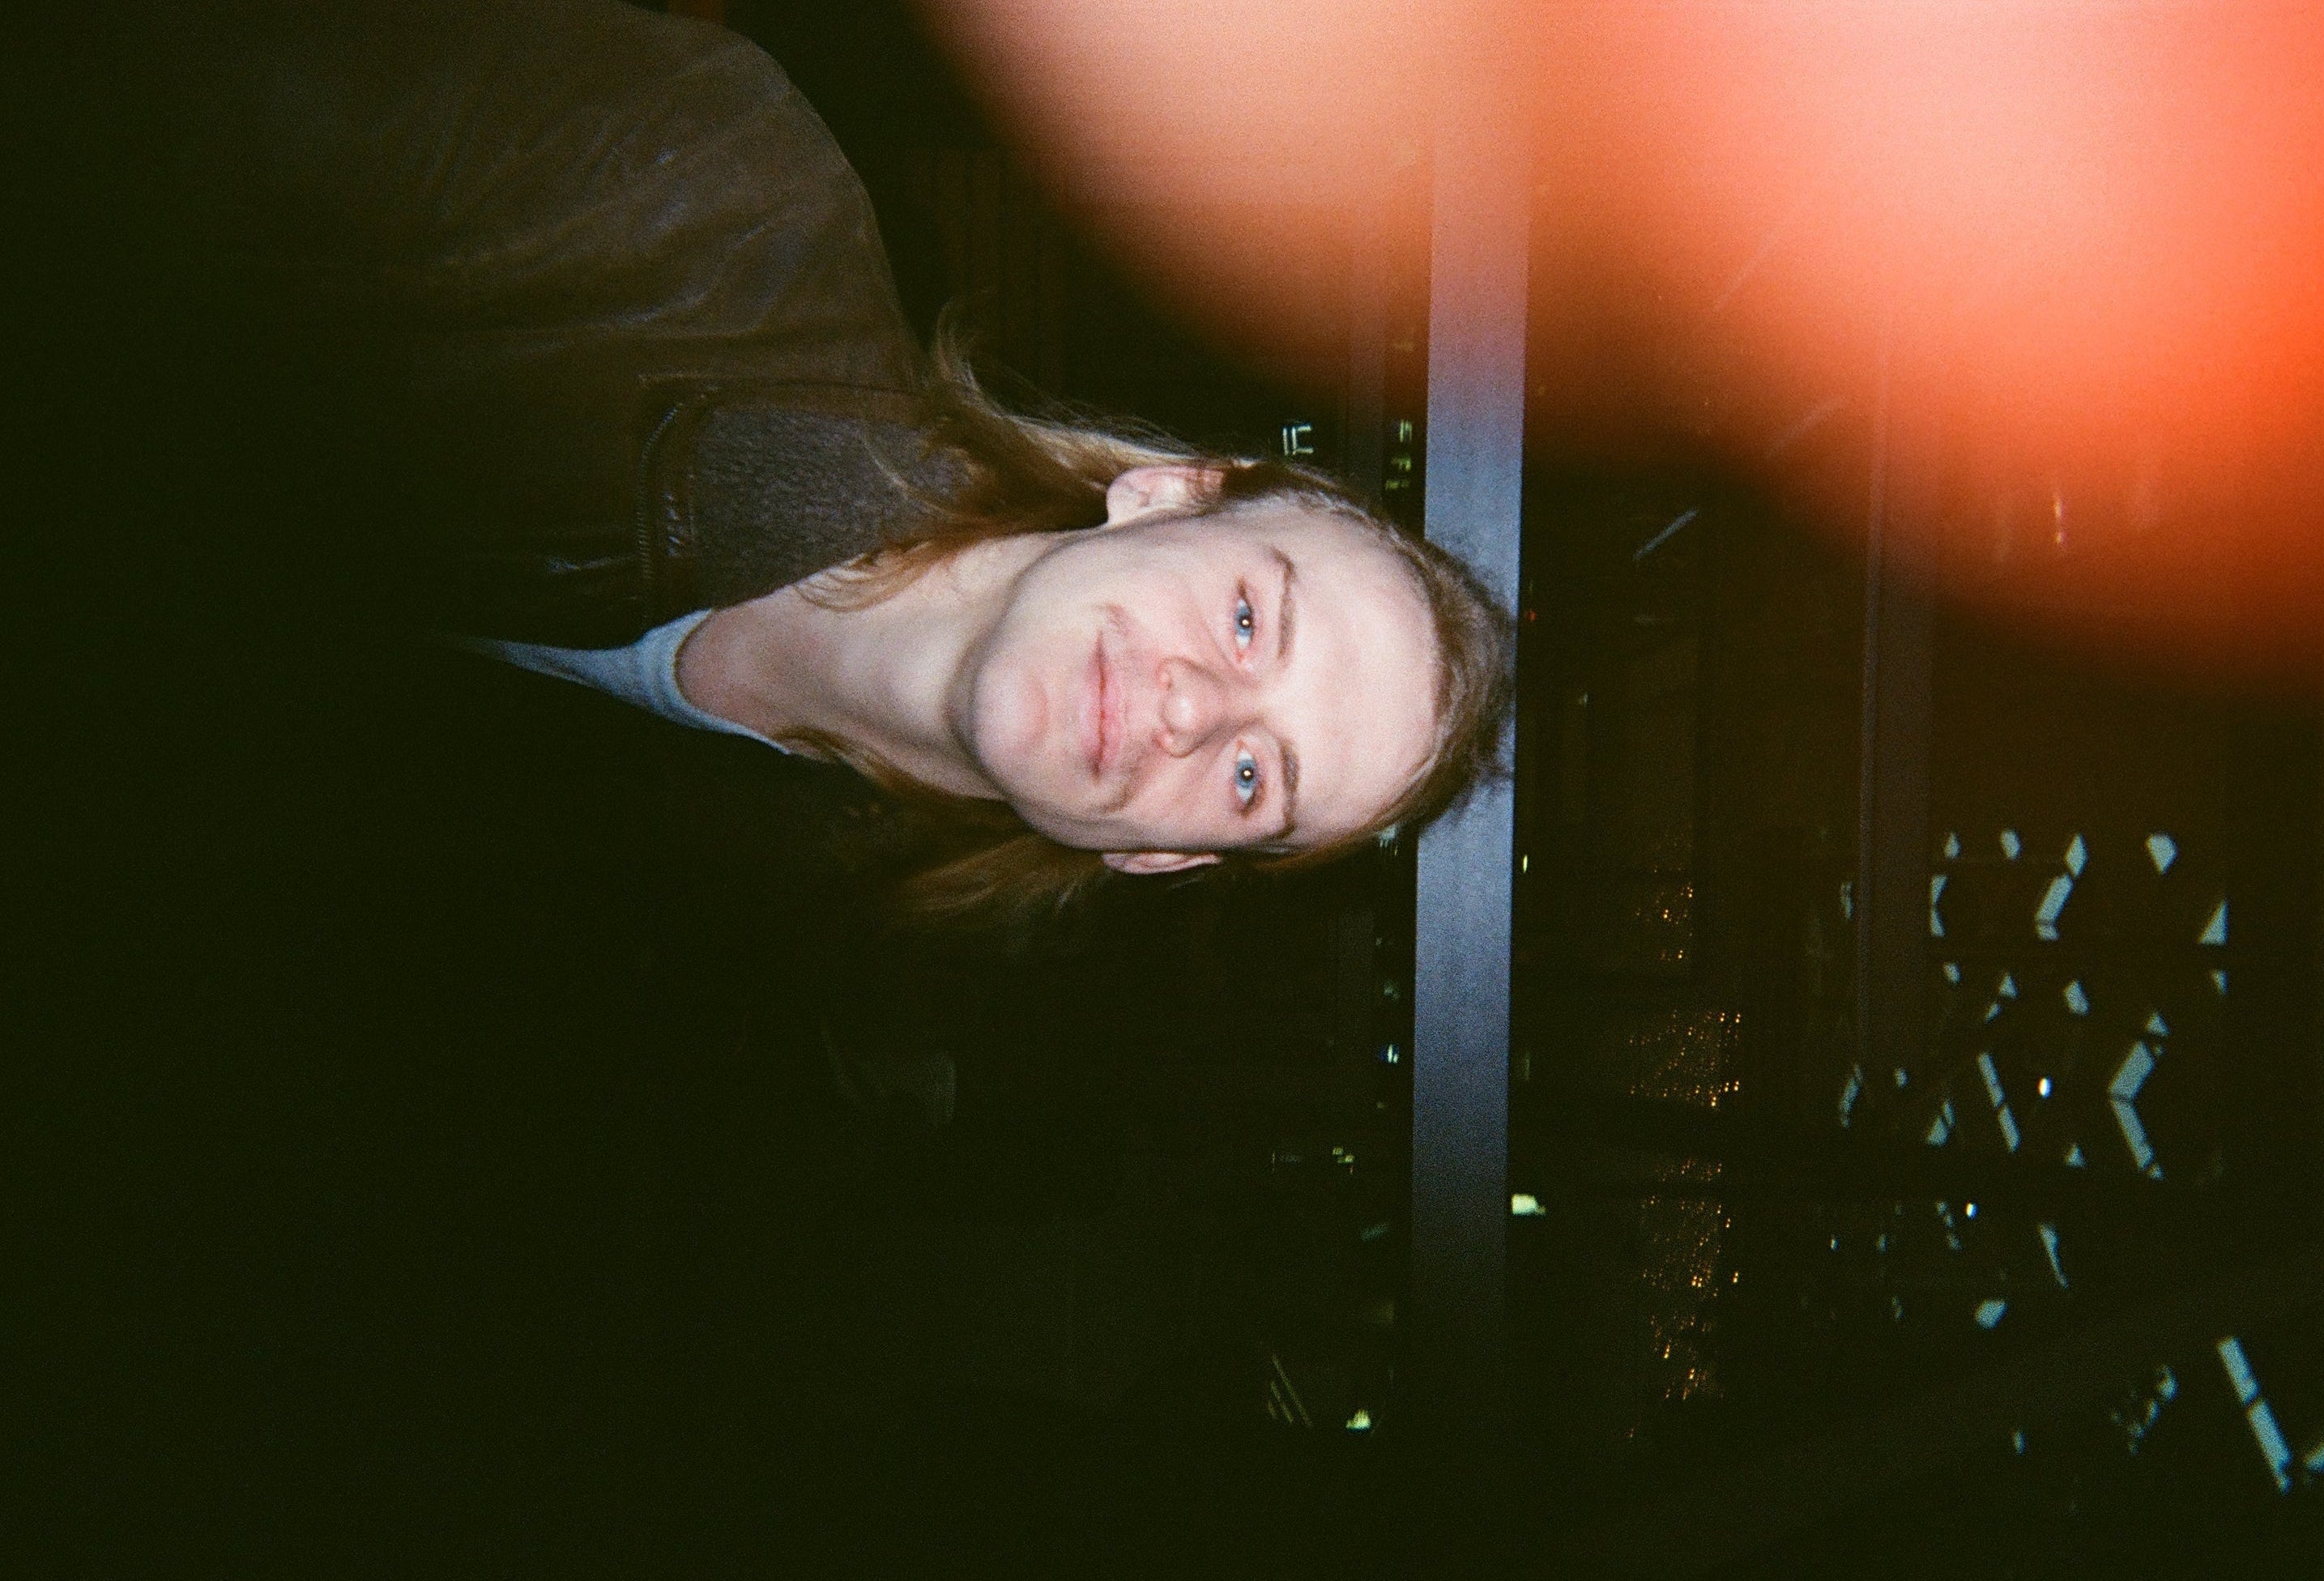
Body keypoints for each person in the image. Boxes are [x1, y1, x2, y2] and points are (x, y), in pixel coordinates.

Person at [148, 0, 1512, 927]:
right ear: (1165, 494)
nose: (1192, 711)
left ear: (1162, 854)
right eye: (1249, 618)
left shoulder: (743, 946)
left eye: (1254, 779)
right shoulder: (695, 200)